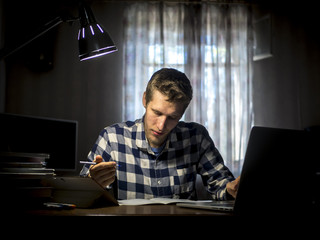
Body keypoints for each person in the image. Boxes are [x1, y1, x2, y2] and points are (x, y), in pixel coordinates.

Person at [80, 68, 240, 200]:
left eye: (172, 117)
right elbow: (82, 194)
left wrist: (230, 189)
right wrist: (93, 183)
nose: (161, 125)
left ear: (182, 114)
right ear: (144, 100)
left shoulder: (196, 137)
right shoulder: (112, 137)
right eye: (156, 112)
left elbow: (220, 182)